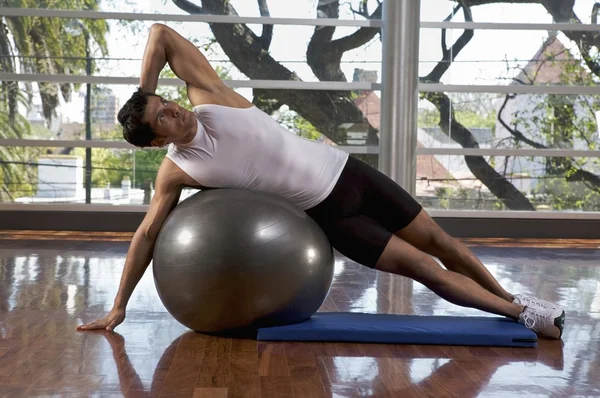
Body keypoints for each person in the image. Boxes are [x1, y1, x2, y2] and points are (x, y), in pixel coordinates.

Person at [77, 24, 565, 339]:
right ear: (155, 141)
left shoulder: (211, 94)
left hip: (351, 175)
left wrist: (142, 93)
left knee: (445, 243)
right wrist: (118, 307)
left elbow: (159, 34)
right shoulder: (178, 171)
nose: (174, 109)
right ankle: (520, 315)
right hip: (330, 216)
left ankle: (513, 301)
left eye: (166, 102)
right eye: (162, 118)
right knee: (424, 267)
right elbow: (147, 234)